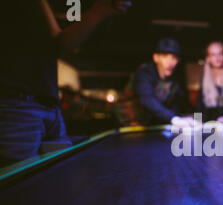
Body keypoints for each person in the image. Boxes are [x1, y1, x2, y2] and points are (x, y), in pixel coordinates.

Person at [0, 0, 131, 167]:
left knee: (52, 184)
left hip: (48, 106)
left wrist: (100, 10)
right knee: (19, 188)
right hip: (15, 108)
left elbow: (58, 45)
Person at [131, 38, 194, 128]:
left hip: (154, 125)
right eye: (165, 56)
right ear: (156, 58)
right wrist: (174, 119)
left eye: (174, 57)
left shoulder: (175, 79)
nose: (170, 62)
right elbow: (148, 100)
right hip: (130, 123)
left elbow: (175, 105)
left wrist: (184, 118)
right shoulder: (144, 73)